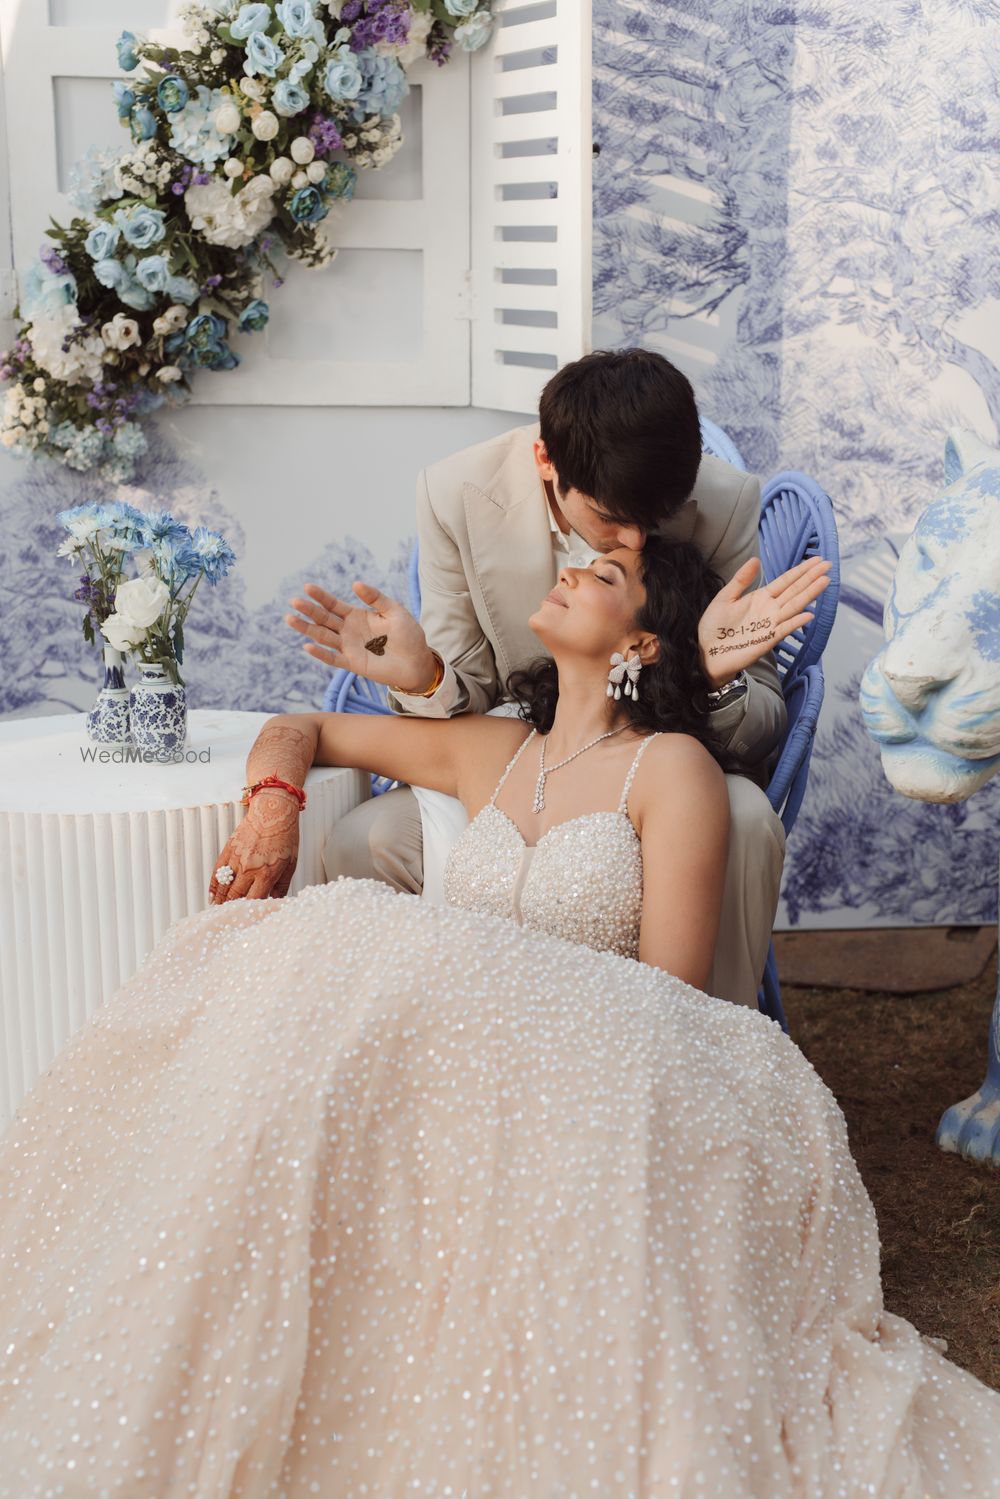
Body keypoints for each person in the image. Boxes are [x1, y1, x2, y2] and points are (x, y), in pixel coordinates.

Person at [4, 541, 999, 1499]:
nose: (570, 568)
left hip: (593, 1082)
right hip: (454, 1069)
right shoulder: (493, 749)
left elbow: (672, 1008)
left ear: (640, 644)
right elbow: (301, 726)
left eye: (604, 573)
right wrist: (272, 807)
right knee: (302, 995)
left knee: (360, 941)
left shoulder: (670, 772)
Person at [300, 348, 789, 1008]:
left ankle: (720, 1045)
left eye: (654, 520)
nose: (638, 541)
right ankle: (418, 1032)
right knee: (369, 838)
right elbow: (468, 687)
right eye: (612, 519)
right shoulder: (454, 495)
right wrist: (425, 674)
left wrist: (710, 675)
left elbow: (761, 722)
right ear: (545, 464)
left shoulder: (725, 502)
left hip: (668, 747)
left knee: (748, 816)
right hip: (523, 752)